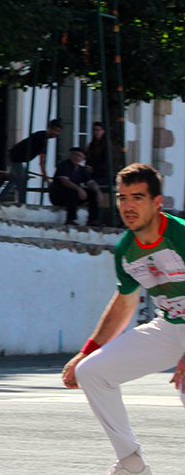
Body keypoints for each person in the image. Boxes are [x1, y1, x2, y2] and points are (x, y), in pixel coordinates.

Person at [61, 163, 185, 475]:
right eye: (122, 197)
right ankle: (132, 464)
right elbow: (124, 303)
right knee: (92, 372)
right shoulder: (126, 251)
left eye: (138, 197)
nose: (127, 206)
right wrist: (85, 353)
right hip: (170, 326)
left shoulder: (181, 236)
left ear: (157, 203)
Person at [0, 118, 62, 203]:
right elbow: (42, 163)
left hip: (16, 157)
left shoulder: (41, 136)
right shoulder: (42, 139)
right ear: (49, 128)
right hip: (17, 158)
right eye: (54, 130)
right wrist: (47, 179)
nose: (55, 133)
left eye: (58, 131)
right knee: (21, 182)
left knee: (13, 181)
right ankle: (21, 203)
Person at [50, 147, 100, 225]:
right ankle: (70, 219)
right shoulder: (64, 165)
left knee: (92, 194)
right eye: (74, 154)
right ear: (70, 155)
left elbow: (91, 182)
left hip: (74, 196)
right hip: (59, 195)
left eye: (79, 156)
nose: (76, 157)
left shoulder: (82, 169)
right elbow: (65, 181)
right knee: (72, 191)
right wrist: (79, 189)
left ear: (83, 159)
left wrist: (98, 192)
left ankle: (93, 220)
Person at [87, 121, 111, 186]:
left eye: (98, 130)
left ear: (103, 131)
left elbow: (106, 160)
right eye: (94, 130)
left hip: (103, 174)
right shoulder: (92, 145)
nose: (96, 132)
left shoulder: (106, 145)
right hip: (93, 173)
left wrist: (93, 168)